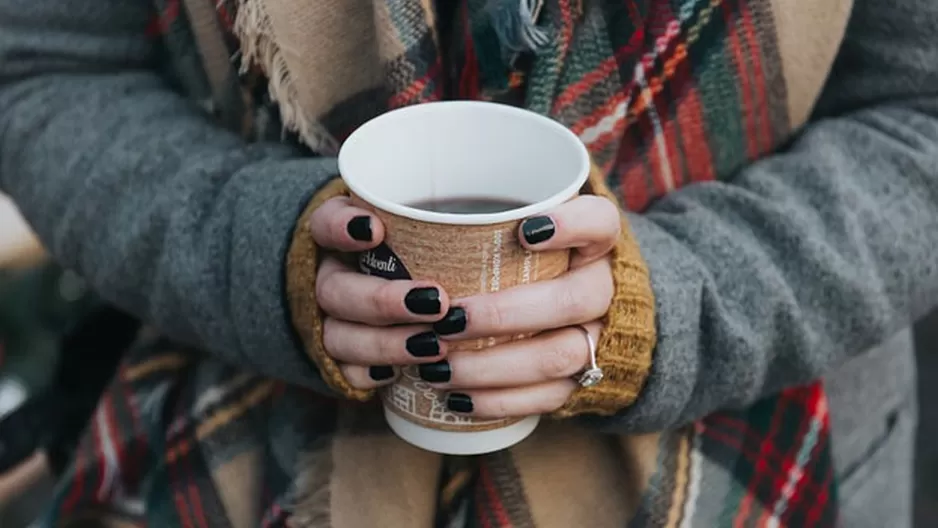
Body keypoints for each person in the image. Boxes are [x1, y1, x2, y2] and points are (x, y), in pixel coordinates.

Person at [1, 0, 936, 526]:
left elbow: (920, 116)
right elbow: (45, 67)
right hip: (239, 470)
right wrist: (263, 255)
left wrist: (676, 304)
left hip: (756, 478)